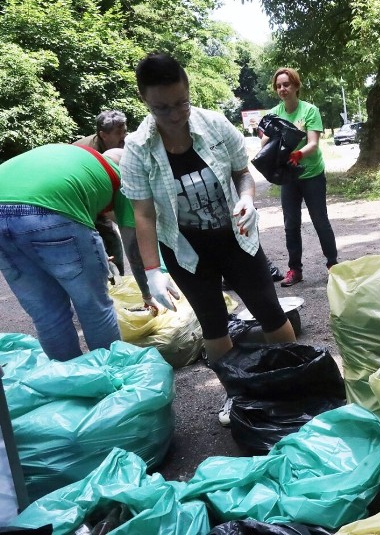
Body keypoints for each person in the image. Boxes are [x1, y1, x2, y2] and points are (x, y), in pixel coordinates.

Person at [120, 53, 296, 385]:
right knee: (213, 325)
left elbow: (242, 174)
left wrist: (246, 197)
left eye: (180, 103)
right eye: (161, 108)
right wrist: (152, 271)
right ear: (144, 99)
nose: (173, 115)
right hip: (185, 249)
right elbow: (142, 214)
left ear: (188, 90)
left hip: (235, 238)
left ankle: (294, 379)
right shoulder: (138, 148)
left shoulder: (214, 124)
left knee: (270, 312)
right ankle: (236, 393)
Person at [0, 144, 148, 361]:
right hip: (49, 211)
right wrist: (147, 291)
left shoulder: (75, 156)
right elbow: (132, 245)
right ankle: (110, 375)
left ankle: (72, 383)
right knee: (94, 307)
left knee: (47, 315)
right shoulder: (121, 177)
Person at [263, 67, 338, 287]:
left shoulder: (309, 111)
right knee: (291, 224)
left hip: (311, 173)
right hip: (289, 177)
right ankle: (295, 270)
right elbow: (264, 143)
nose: (282, 89)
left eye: (286, 84)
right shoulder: (274, 113)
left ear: (296, 86)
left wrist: (297, 153)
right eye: (278, 86)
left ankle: (333, 264)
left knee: (320, 220)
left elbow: (313, 144)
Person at [73, 109, 129, 274]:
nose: (124, 136)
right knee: (100, 233)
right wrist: (130, 224)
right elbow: (105, 206)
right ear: (103, 135)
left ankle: (120, 279)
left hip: (96, 191)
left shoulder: (124, 143)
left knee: (111, 234)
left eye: (125, 131)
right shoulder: (86, 152)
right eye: (119, 133)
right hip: (76, 196)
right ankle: (104, 279)